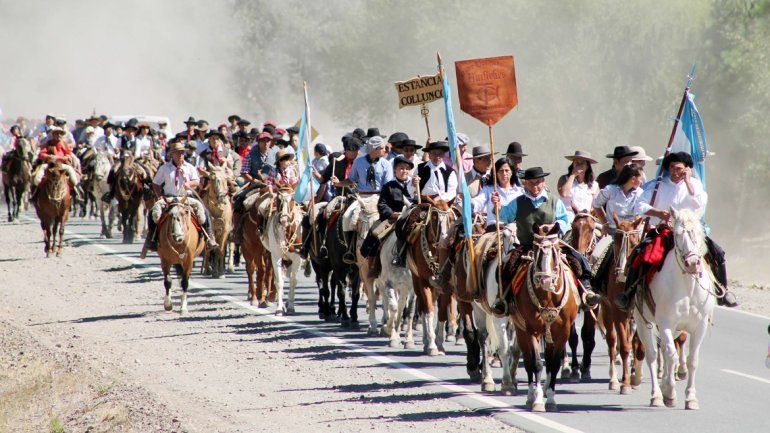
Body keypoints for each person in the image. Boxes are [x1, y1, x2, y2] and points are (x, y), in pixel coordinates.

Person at [615, 152, 738, 309]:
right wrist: (658, 213)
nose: (675, 171)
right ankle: (629, 294)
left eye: (679, 168)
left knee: (717, 252)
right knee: (641, 254)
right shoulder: (657, 185)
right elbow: (639, 206)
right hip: (664, 231)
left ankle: (723, 291)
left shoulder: (694, 185)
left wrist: (687, 182)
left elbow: (700, 203)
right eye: (672, 167)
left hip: (690, 231)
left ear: (687, 169)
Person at [490, 166, 602, 314]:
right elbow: (504, 216)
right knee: (507, 266)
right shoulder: (518, 202)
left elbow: (565, 220)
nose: (535, 186)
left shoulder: (554, 201)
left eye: (538, 182)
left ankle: (587, 291)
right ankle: (503, 299)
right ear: (525, 183)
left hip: (552, 245)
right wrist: (496, 205)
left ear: (543, 182)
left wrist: (555, 226)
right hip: (527, 246)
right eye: (530, 183)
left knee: (579, 259)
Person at [140, 141, 217, 258]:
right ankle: (151, 239)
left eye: (182, 153)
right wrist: (159, 195)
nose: (181, 155)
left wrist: (189, 183)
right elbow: (156, 183)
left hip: (186, 198)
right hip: (169, 198)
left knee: (203, 210)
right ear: (172, 154)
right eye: (177, 153)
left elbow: (197, 181)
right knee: (153, 212)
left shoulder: (190, 167)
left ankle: (209, 237)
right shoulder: (165, 168)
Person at [336, 135, 393, 263]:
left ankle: (387, 249)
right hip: (361, 197)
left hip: (379, 197)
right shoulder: (359, 162)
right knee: (346, 217)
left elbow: (388, 186)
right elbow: (351, 180)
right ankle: (350, 249)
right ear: (374, 149)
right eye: (382, 148)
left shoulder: (386, 164)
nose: (385, 150)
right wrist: (338, 183)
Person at [472, 158, 524, 232]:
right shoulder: (489, 189)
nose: (504, 174)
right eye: (501, 171)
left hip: (514, 231)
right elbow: (478, 201)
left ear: (512, 172)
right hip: (493, 230)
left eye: (507, 170)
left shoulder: (520, 192)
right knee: (480, 243)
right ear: (496, 173)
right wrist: (469, 203)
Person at [593, 163, 645, 231]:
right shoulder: (610, 190)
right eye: (641, 179)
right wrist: (605, 224)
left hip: (631, 231)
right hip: (612, 229)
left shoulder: (640, 193)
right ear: (633, 179)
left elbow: (639, 213)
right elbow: (596, 205)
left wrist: (637, 226)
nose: (642, 182)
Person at [31, 127, 80, 198]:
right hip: (49, 165)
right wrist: (48, 156)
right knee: (37, 178)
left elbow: (68, 156)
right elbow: (41, 154)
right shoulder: (49, 144)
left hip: (62, 165)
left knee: (73, 177)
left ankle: (77, 194)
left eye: (61, 134)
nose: (59, 135)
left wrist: (59, 158)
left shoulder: (65, 144)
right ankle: (35, 194)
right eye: (57, 133)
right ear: (53, 135)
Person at [557, 151, 600, 223]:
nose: (579, 165)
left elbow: (596, 205)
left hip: (586, 219)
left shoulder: (594, 185)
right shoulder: (564, 179)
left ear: (587, 166)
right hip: (567, 219)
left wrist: (588, 213)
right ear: (573, 164)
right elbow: (563, 193)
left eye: (582, 163)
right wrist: (573, 175)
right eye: (576, 162)